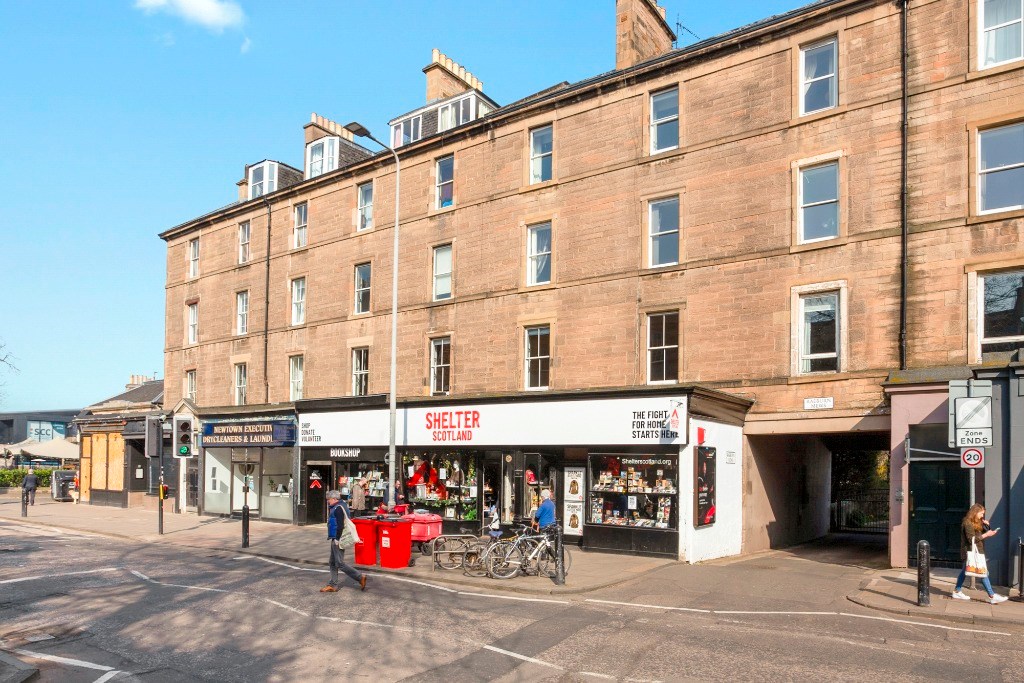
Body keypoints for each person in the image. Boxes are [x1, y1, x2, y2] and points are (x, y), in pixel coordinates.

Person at [951, 503, 1006, 604]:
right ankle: (992, 596)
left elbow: (984, 532)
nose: (982, 516)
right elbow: (971, 539)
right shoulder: (967, 523)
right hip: (970, 551)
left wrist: (987, 526)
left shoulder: (977, 522)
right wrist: (986, 535)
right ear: (975, 513)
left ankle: (957, 591)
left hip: (976, 551)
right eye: (981, 513)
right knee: (983, 573)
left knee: (965, 571)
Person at [320, 490, 367, 593]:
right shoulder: (341, 505)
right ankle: (333, 584)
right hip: (336, 537)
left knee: (339, 563)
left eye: (329, 499)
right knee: (332, 562)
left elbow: (340, 525)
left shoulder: (338, 508)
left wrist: (337, 539)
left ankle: (360, 577)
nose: (328, 501)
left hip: (338, 538)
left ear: (334, 499)